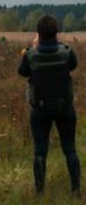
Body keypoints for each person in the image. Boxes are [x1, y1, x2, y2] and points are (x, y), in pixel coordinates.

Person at [18, 14, 80, 196]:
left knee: (40, 151)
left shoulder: (30, 55)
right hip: (64, 107)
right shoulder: (67, 52)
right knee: (70, 149)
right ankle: (76, 190)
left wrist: (32, 47)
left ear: (39, 33)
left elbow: (22, 72)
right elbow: (73, 65)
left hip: (39, 109)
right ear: (56, 32)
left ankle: (40, 192)